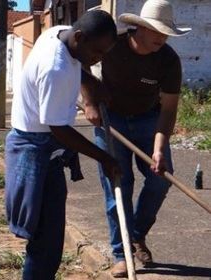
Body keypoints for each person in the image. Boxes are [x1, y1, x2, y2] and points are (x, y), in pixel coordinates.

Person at [5, 10, 121, 280]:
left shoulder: (58, 33)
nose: (98, 59)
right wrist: (104, 157)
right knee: (43, 241)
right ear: (79, 37)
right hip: (33, 148)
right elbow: (59, 129)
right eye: (97, 52)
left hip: (50, 150)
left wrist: (91, 84)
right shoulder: (54, 68)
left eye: (104, 54)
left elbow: (79, 67)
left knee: (52, 238)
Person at [83, 0, 191, 277]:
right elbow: (81, 67)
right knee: (118, 184)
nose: (162, 37)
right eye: (156, 29)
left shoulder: (168, 60)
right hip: (112, 121)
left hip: (148, 120)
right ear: (140, 28)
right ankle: (121, 254)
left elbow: (168, 110)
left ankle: (136, 235)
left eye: (166, 31)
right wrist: (89, 101)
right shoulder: (112, 45)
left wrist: (159, 149)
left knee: (160, 177)